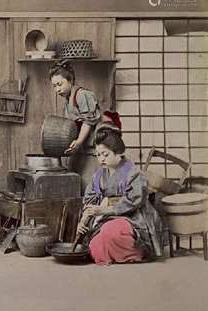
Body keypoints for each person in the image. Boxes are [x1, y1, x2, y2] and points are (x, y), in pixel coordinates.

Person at [76, 123, 163, 265]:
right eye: (98, 155)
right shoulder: (98, 175)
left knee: (112, 232)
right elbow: (90, 200)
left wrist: (106, 208)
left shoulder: (133, 172)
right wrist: (84, 219)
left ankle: (137, 252)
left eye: (105, 154)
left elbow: (134, 200)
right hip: (104, 217)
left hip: (132, 217)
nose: (101, 159)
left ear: (119, 153)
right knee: (96, 245)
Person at [49, 59, 121, 189]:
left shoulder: (82, 95)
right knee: (74, 177)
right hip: (83, 145)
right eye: (54, 86)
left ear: (70, 80)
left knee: (93, 182)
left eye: (59, 84)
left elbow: (88, 122)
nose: (57, 89)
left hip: (96, 145)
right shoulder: (67, 100)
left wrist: (78, 142)